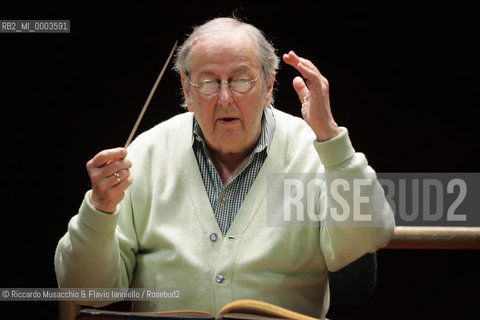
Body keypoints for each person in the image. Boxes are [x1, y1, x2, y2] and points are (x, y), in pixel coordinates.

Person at [55, 17, 394, 318]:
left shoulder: (312, 150)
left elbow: (371, 234)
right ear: (188, 90)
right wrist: (99, 209)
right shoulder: (148, 152)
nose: (226, 98)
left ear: (269, 86)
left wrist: (331, 136)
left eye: (241, 80)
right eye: (209, 82)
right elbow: (86, 289)